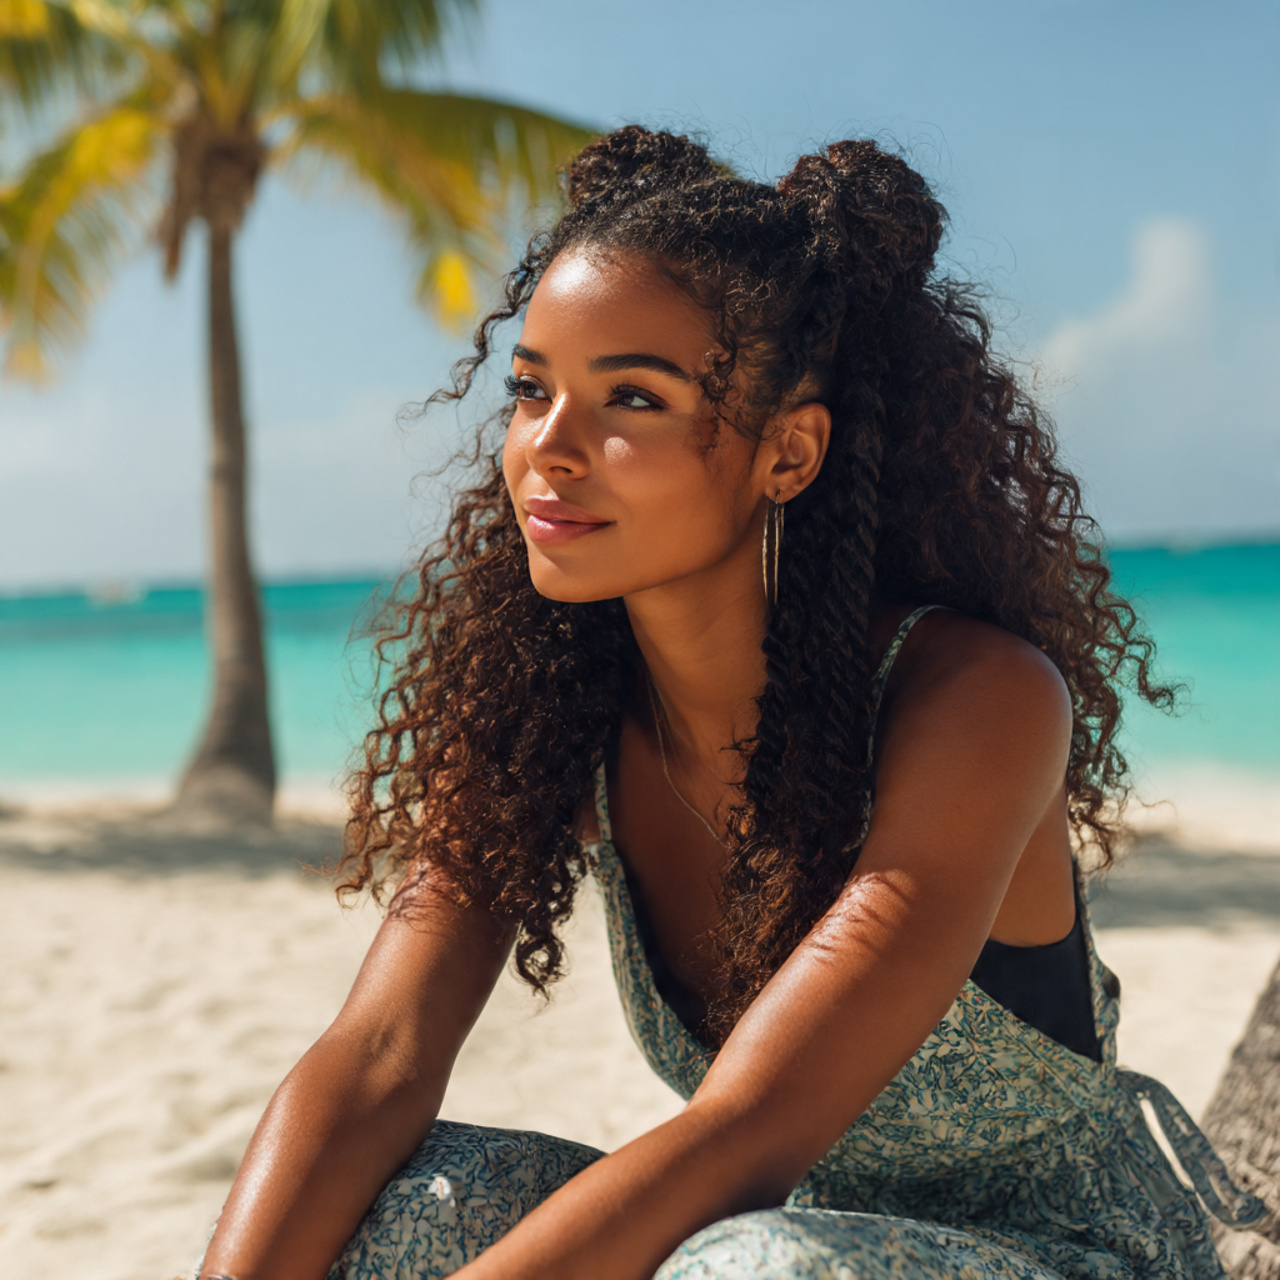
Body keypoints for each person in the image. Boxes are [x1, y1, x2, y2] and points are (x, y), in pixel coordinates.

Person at [196, 127, 1265, 1280]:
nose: (546, 450)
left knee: (753, 1268)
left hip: (1055, 1257)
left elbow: (749, 1126)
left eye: (632, 399)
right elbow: (378, 1055)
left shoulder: (972, 699)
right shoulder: (546, 717)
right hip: (771, 1239)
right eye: (529, 390)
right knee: (409, 1195)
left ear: (788, 452)